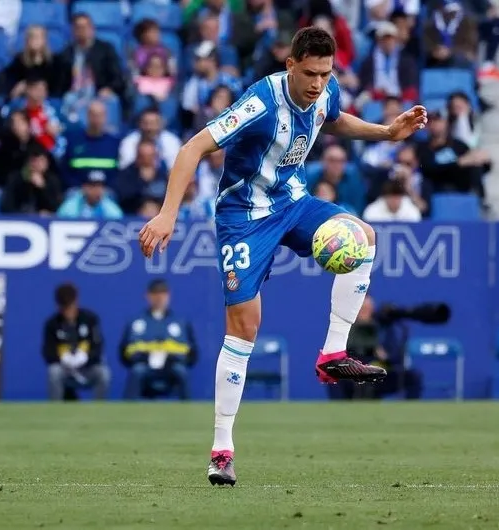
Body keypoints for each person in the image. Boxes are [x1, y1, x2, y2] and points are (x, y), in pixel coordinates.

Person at [137, 27, 427, 486]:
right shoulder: (260, 103)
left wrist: (387, 132)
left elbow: (335, 118)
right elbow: (194, 147)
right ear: (291, 65)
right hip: (244, 217)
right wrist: (168, 213)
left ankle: (333, 353)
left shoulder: (326, 90)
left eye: (325, 73)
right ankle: (222, 451)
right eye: (310, 73)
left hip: (292, 203)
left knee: (365, 237)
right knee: (244, 327)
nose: (318, 83)